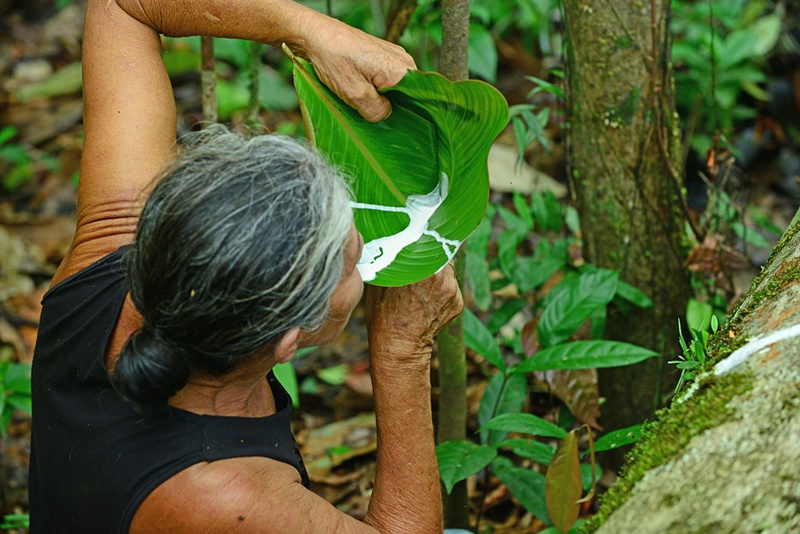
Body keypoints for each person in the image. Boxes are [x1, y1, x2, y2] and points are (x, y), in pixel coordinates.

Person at [28, 0, 463, 532]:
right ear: (286, 341)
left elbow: (122, 5)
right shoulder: (220, 492)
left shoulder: (111, 249)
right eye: (354, 261)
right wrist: (403, 356)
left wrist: (307, 30)